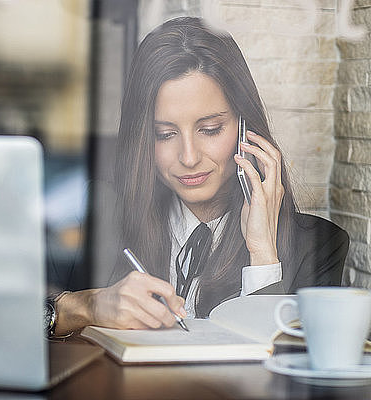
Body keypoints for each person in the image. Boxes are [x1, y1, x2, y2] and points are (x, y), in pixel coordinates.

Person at [48, 17, 349, 336]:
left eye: (210, 130)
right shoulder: (93, 220)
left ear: (246, 130)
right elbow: (6, 321)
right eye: (164, 134)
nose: (189, 158)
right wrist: (82, 306)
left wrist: (262, 255)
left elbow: (282, 373)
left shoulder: (319, 246)